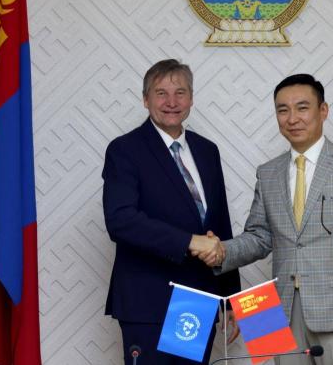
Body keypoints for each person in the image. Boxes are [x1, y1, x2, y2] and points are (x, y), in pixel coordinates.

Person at [205, 74, 333, 365]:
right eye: (283, 110)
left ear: (323, 111)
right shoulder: (268, 172)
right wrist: (220, 251)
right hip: (279, 312)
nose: (292, 118)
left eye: (302, 108)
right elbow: (259, 237)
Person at [102, 59, 241, 365]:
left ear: (191, 99)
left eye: (180, 93)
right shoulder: (124, 150)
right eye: (161, 93)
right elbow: (120, 221)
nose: (171, 102)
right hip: (148, 299)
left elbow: (220, 225)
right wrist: (189, 241)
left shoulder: (207, 150)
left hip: (197, 298)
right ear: (145, 99)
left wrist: (229, 297)